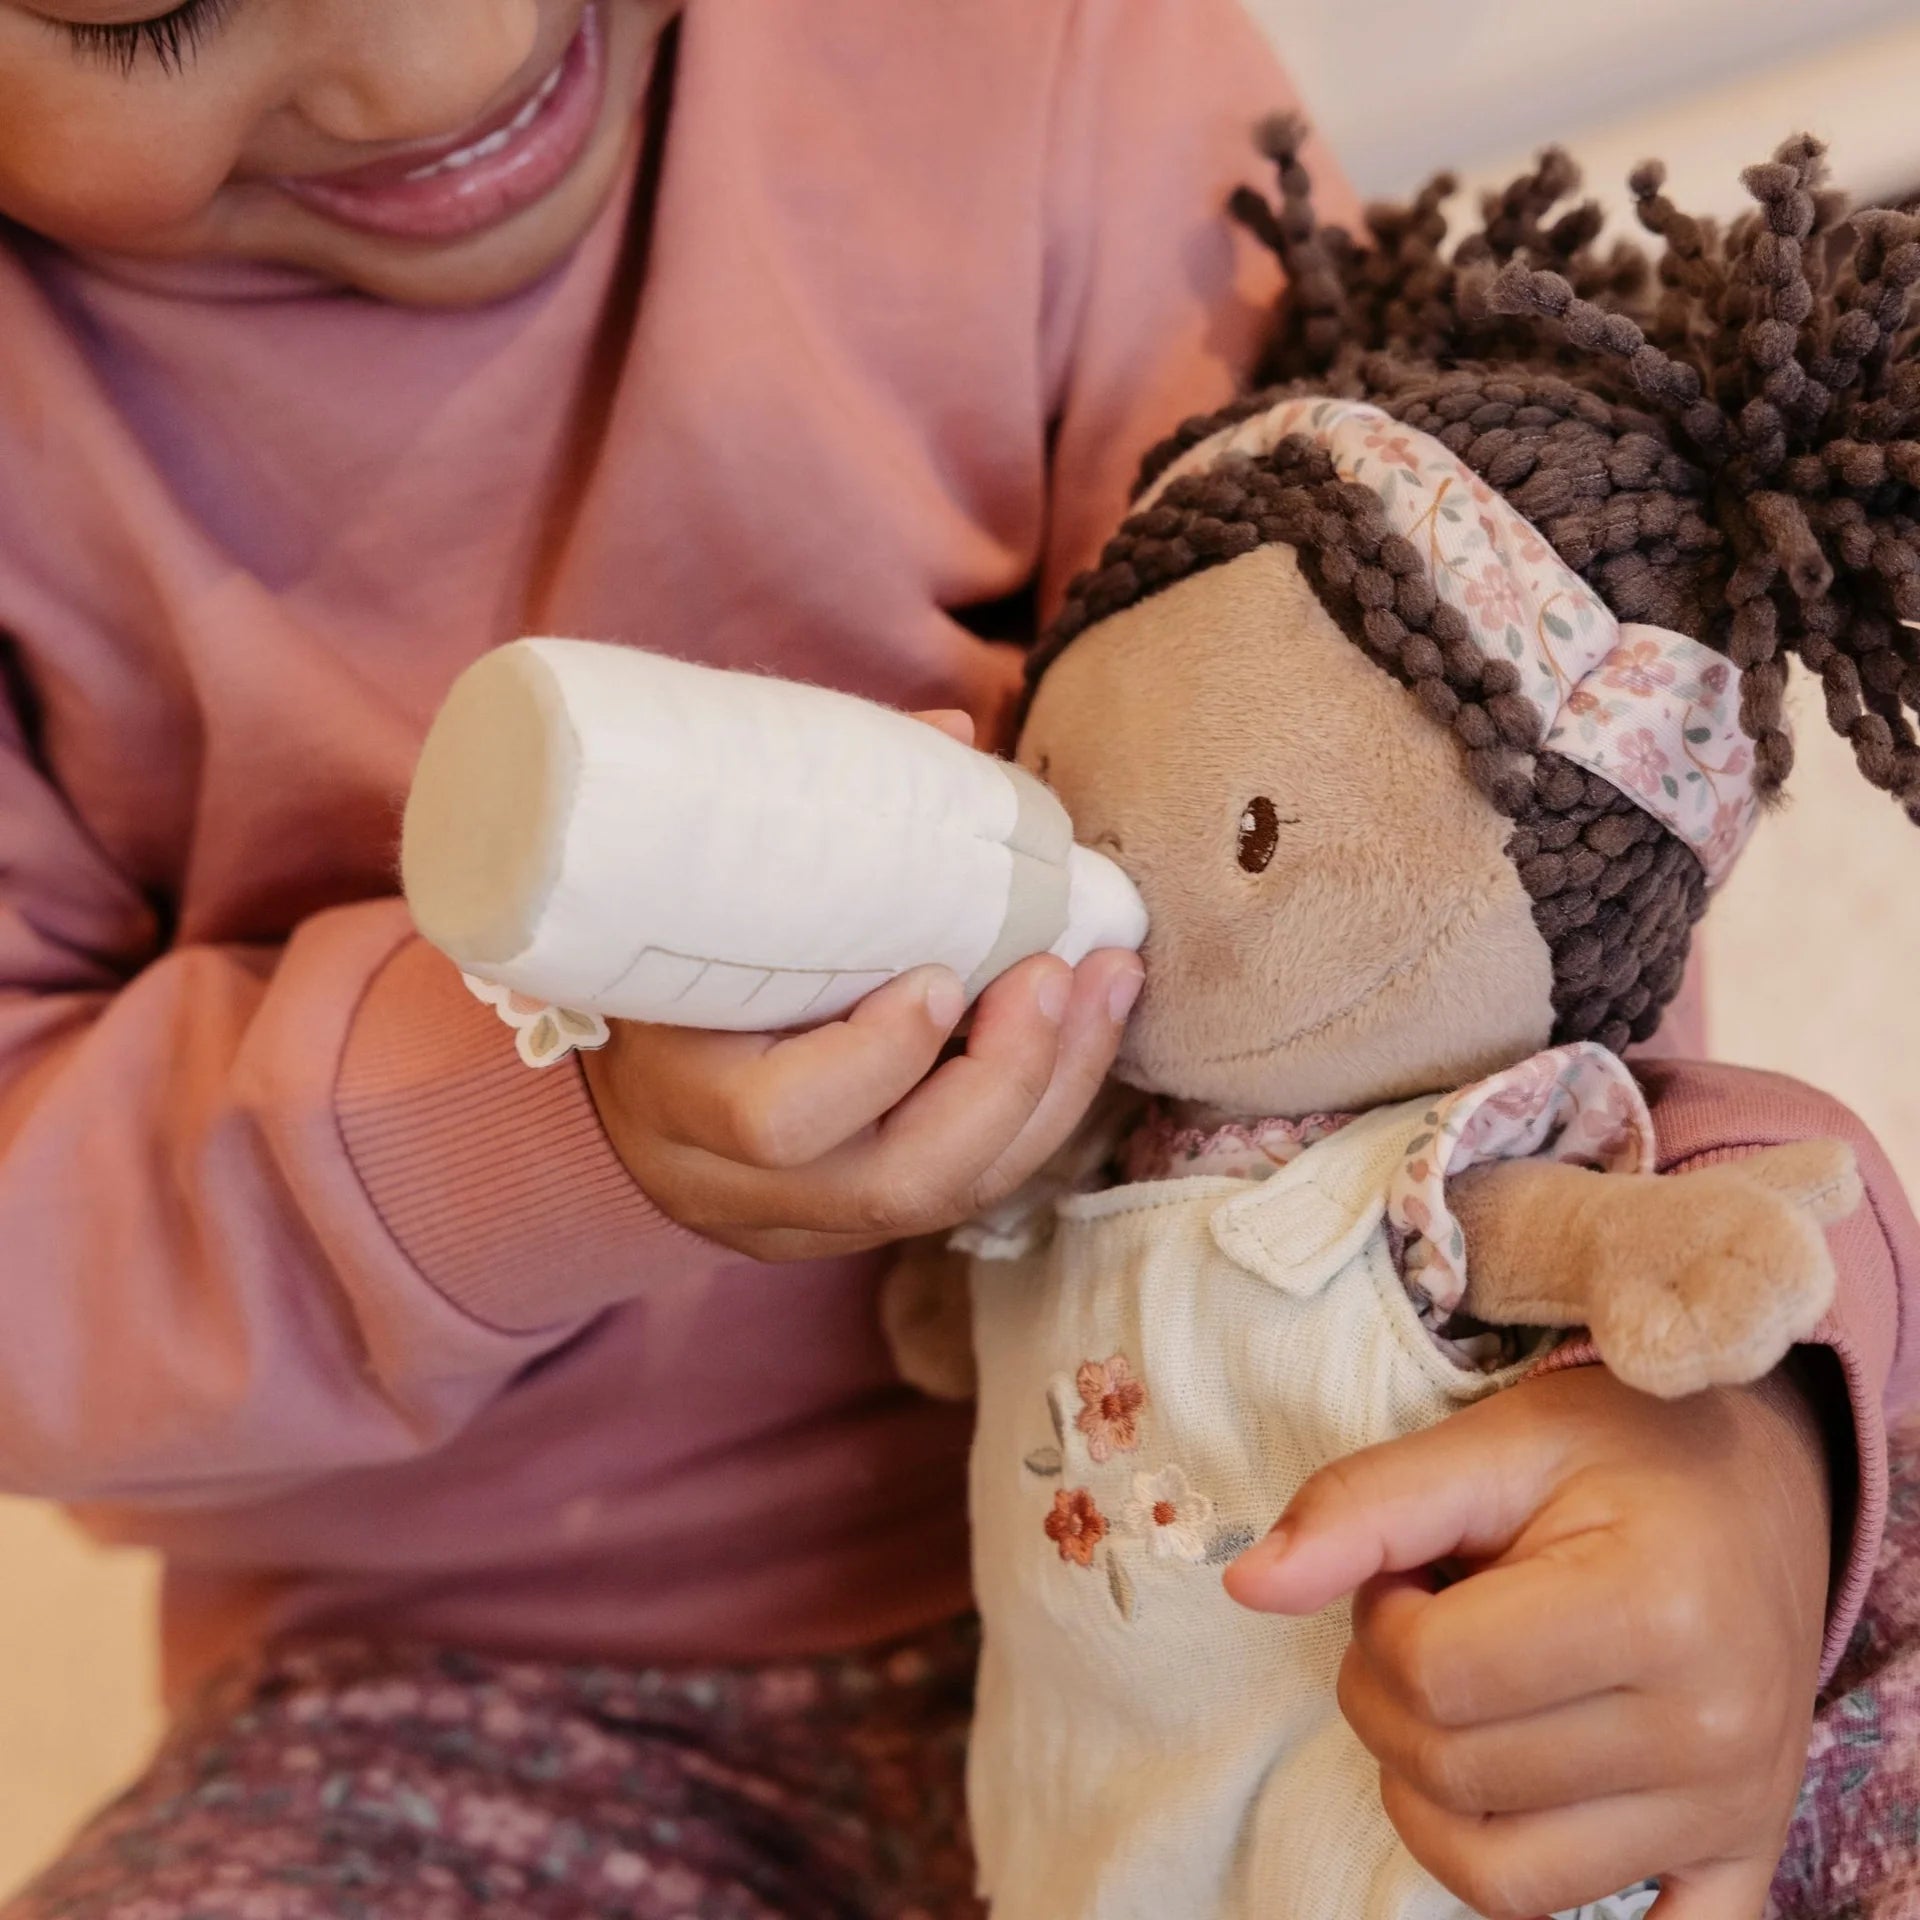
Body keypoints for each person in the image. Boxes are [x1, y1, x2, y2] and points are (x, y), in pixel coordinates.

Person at [0, 3, 1910, 1916]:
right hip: (478, 1691)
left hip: (1327, 1536)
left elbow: (1502, 891)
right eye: (141, 4)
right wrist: (546, 1119)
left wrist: (1707, 1438)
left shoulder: (1038, 55)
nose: (440, 61)